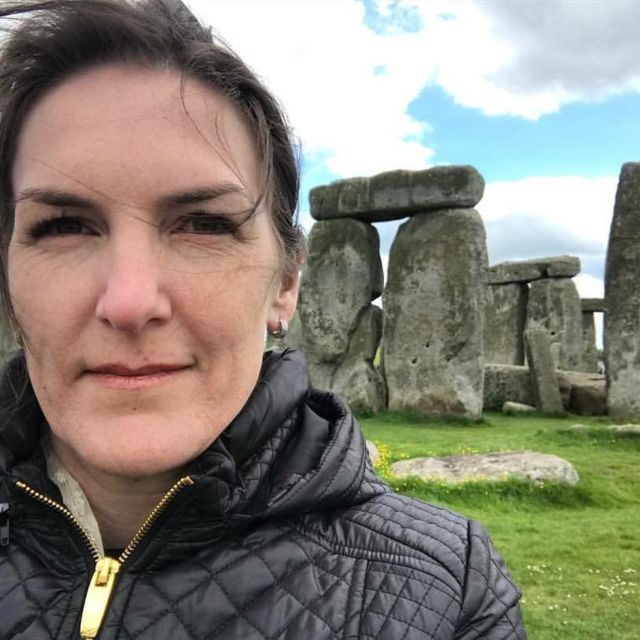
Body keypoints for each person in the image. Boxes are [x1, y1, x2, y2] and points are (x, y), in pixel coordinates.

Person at [0, 1, 526, 638]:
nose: (130, 302)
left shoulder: (447, 595)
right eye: (63, 226)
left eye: (204, 225)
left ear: (287, 282)